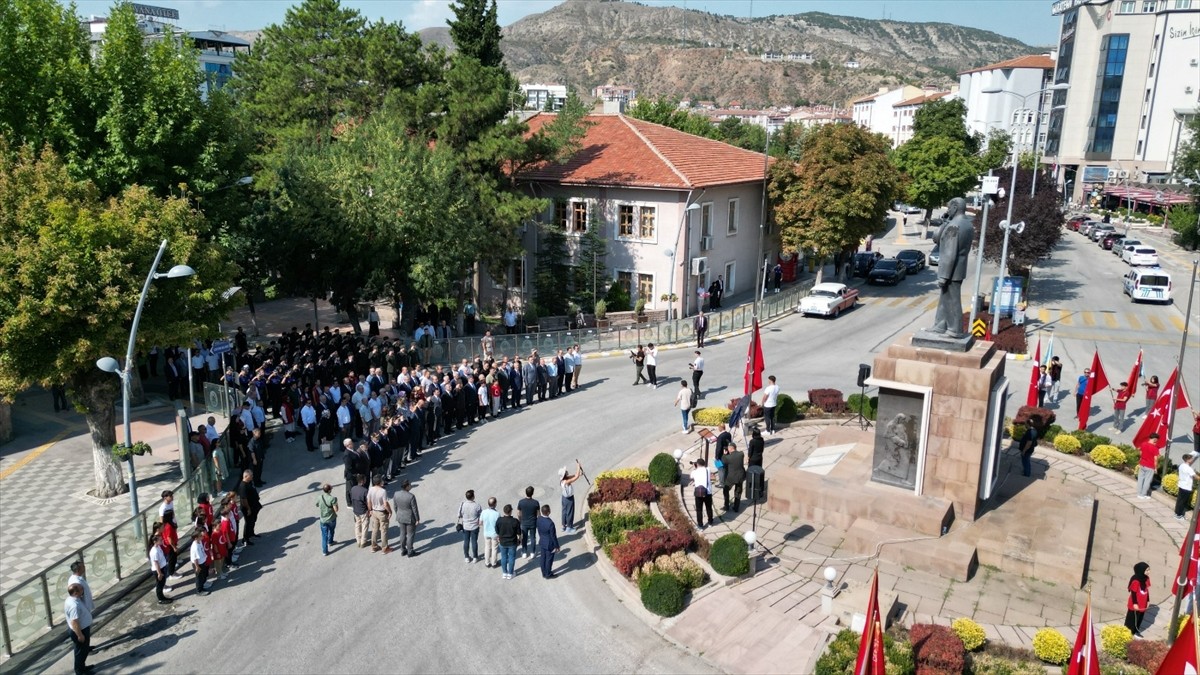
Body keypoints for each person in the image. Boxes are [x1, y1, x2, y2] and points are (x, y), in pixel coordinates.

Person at [928, 197, 974, 337]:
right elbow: (937, 237)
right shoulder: (967, 223)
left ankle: (954, 329)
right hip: (959, 268)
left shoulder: (955, 226)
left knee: (952, 299)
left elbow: (949, 253)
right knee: (945, 298)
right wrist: (945, 222)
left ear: (955, 207)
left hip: (951, 270)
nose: (947, 210)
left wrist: (944, 276)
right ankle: (940, 325)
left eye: (949, 208)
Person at [64, 582, 93, 675]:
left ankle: (82, 667)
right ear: (76, 593)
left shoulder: (73, 599)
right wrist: (80, 635)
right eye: (81, 589)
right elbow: (74, 622)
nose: (83, 590)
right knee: (81, 652)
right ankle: (80, 671)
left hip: (82, 629)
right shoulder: (74, 606)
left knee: (82, 651)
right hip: (80, 631)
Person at [392, 480, 420, 556]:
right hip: (409, 518)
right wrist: (417, 519)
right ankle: (410, 551)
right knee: (410, 534)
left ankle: (403, 549)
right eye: (410, 485)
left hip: (400, 517)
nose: (411, 486)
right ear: (407, 486)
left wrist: (398, 513)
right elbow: (415, 509)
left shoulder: (396, 494)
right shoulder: (411, 496)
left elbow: (395, 506)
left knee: (402, 533)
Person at [366, 475, 392, 553]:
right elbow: (385, 504)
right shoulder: (383, 491)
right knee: (383, 530)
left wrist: (370, 510)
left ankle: (374, 546)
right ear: (380, 482)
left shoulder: (370, 489)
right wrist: (390, 511)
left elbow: (369, 501)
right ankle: (385, 548)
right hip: (382, 512)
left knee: (375, 529)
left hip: (374, 511)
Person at [1125, 562, 1151, 637]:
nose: (1149, 572)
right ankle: (1128, 631)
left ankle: (1136, 631)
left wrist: (1148, 600)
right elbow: (1133, 593)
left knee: (1140, 617)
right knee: (1132, 618)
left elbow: (1146, 590)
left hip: (1143, 602)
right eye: (1147, 570)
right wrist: (1135, 604)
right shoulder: (1136, 581)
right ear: (1141, 570)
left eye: (1149, 570)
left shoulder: (1146, 579)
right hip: (1136, 603)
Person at [496, 504, 521, 580]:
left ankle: (504, 573)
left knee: (504, 557)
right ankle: (510, 573)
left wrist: (498, 537)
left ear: (504, 511)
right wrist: (519, 540)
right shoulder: (515, 521)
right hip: (512, 543)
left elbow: (497, 530)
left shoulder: (499, 520)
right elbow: (519, 533)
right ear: (510, 512)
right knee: (511, 558)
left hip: (502, 542)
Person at [237, 470, 262, 545]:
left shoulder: (249, 482)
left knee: (253, 520)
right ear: (246, 476)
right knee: (248, 522)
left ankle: (251, 533)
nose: (252, 477)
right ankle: (245, 539)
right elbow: (244, 500)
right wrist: (248, 509)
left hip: (254, 505)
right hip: (248, 508)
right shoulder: (243, 486)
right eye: (250, 476)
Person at [457, 490, 483, 563]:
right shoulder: (477, 505)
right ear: (473, 497)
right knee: (474, 541)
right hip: (474, 526)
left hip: (465, 526)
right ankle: (475, 557)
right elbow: (481, 514)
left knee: (466, 541)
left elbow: (459, 515)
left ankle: (466, 557)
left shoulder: (463, 504)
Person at [536, 504, 560, 579]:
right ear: (548, 512)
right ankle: (548, 574)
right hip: (550, 544)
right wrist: (557, 546)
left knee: (543, 558)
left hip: (542, 541)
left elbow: (539, 530)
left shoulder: (539, 519)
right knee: (549, 560)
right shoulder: (550, 523)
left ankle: (543, 573)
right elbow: (553, 536)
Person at [690, 458, 715, 529]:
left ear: (697, 464)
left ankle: (700, 525)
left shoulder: (695, 472)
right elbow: (711, 477)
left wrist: (694, 468)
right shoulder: (708, 469)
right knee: (709, 508)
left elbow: (691, 477)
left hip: (698, 493)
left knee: (699, 509)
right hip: (708, 492)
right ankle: (710, 522)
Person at [149, 533, 172, 604]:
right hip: (159, 570)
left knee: (162, 583)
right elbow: (156, 563)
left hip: (162, 567)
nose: (162, 541)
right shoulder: (154, 551)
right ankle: (160, 599)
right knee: (160, 585)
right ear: (155, 541)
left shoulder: (158, 547)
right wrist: (159, 573)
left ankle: (162, 597)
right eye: (160, 540)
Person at [560, 462, 584, 534]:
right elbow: (575, 477)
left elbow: (574, 476)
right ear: (564, 475)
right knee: (570, 512)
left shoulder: (563, 480)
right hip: (569, 499)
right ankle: (569, 527)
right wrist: (578, 467)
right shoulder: (567, 482)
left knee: (564, 512)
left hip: (564, 498)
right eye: (566, 472)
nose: (567, 472)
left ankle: (563, 525)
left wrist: (579, 474)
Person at [517, 487, 540, 560]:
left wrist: (520, 520)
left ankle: (524, 552)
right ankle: (532, 553)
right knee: (533, 537)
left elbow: (518, 513)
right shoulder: (536, 502)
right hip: (533, 522)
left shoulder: (521, 502)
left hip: (524, 523)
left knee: (525, 538)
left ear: (525, 492)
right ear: (532, 493)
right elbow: (538, 514)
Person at [722, 442, 746, 512]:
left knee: (725, 490)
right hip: (740, 476)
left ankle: (726, 506)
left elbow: (723, 461)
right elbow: (739, 453)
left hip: (731, 477)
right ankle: (736, 507)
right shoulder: (741, 454)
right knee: (738, 491)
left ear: (730, 448)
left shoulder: (728, 457)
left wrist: (724, 454)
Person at [316, 483, 339, 556]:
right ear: (329, 490)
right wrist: (335, 504)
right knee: (331, 531)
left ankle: (325, 551)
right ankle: (330, 542)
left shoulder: (320, 497)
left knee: (324, 536)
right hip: (331, 519)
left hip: (323, 520)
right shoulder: (332, 498)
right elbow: (336, 510)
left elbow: (317, 505)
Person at [1137, 433, 1160, 499]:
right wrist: (1156, 468)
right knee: (1147, 481)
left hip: (1142, 464)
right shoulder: (1155, 448)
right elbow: (1155, 459)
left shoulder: (1143, 444)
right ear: (1155, 439)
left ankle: (1139, 493)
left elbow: (1140, 453)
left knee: (1140, 479)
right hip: (1150, 466)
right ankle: (1143, 494)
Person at [349, 474, 370, 548]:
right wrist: (369, 510)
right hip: (363, 511)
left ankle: (358, 540)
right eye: (364, 479)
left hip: (356, 510)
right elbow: (367, 502)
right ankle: (363, 542)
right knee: (365, 525)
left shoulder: (353, 488)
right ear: (362, 481)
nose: (365, 480)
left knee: (357, 525)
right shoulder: (365, 490)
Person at [481, 497, 501, 568]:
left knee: (487, 548)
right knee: (494, 548)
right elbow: (499, 525)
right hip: (494, 534)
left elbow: (480, 522)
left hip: (486, 533)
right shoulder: (497, 514)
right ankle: (494, 563)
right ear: (495, 504)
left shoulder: (483, 512)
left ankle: (487, 562)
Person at [191, 529, 212, 596]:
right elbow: (195, 558)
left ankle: (202, 587)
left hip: (202, 561)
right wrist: (197, 567)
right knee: (199, 578)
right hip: (198, 564)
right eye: (200, 536)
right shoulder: (195, 546)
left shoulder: (199, 542)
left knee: (203, 575)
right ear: (196, 538)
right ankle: (199, 591)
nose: (202, 536)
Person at [1177, 454, 1196, 521]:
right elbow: (1195, 476)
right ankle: (1179, 515)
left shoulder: (1182, 465)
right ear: (1188, 460)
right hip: (1186, 487)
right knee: (1183, 502)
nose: (1192, 460)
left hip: (1181, 485)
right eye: (1191, 459)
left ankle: (1177, 513)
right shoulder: (1189, 468)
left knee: (1179, 500)